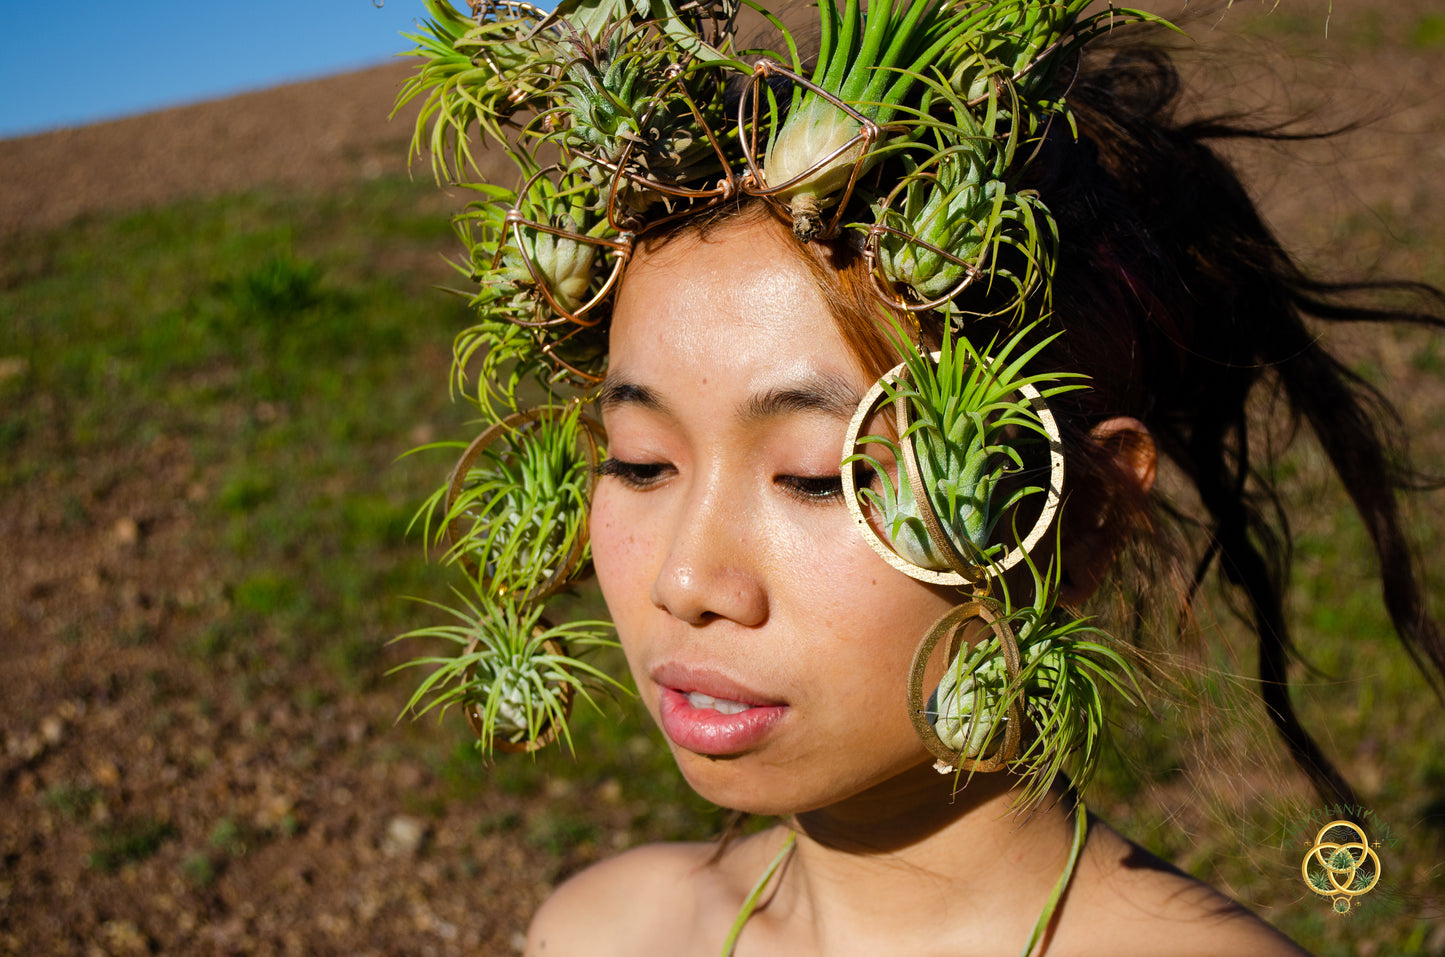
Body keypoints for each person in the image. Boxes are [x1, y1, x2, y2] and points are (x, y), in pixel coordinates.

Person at [392, 0, 1445, 953]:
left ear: (1082, 513)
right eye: (640, 463)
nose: (684, 582)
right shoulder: (603, 933)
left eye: (812, 475)